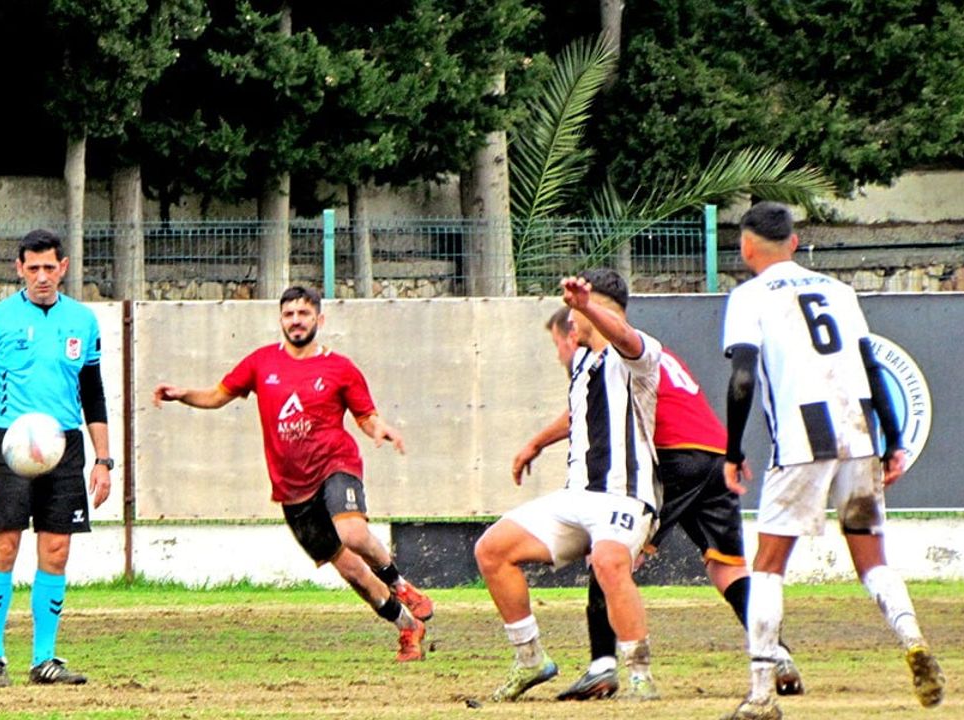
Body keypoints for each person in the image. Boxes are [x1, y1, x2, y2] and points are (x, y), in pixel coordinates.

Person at [720, 202, 945, 720]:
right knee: (872, 560)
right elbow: (870, 368)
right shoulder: (839, 292)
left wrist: (733, 451)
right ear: (795, 243)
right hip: (860, 436)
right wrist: (893, 441)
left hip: (804, 439)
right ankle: (911, 636)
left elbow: (743, 378)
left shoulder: (748, 296)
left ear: (746, 246)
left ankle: (759, 695)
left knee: (769, 567)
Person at [513, 305, 804, 701]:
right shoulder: (653, 352)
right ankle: (778, 654)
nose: (561, 355)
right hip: (713, 454)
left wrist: (534, 443)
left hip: (671, 457)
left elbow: (580, 415)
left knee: (609, 550)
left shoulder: (612, 355)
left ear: (571, 333)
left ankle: (602, 666)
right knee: (726, 569)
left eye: (557, 345)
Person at [152, 285, 434, 663]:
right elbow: (218, 395)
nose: (296, 321)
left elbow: (365, 416)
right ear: (281, 320)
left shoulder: (340, 368)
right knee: (351, 573)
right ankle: (407, 627)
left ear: (319, 318)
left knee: (352, 532)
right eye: (289, 314)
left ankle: (400, 584)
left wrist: (379, 428)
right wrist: (182, 393)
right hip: (292, 489)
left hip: (335, 464)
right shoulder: (261, 363)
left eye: (303, 314)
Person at [473, 269, 662, 703]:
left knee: (609, 560)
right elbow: (578, 414)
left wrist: (586, 306)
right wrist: (534, 444)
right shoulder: (582, 362)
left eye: (578, 311)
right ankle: (530, 660)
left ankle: (638, 673)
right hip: (577, 496)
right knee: (491, 549)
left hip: (625, 496)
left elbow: (625, 339)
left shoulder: (639, 351)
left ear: (597, 307)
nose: (570, 322)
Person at [0, 229, 113, 688]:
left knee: (57, 549)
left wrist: (103, 460)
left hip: (64, 445)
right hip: (10, 444)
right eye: (33, 268)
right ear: (19, 269)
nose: (42, 276)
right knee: (4, 546)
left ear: (63, 267)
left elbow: (94, 393)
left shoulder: (82, 321)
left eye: (50, 268)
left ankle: (44, 659)